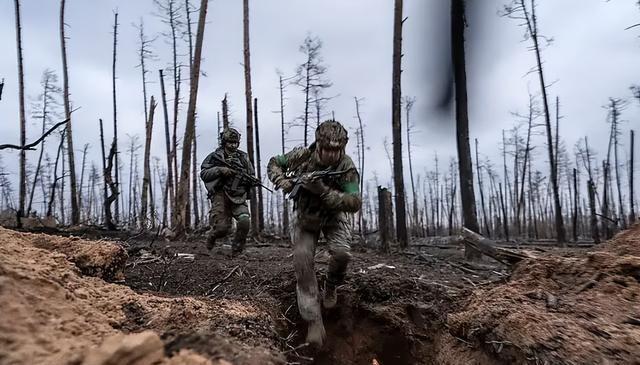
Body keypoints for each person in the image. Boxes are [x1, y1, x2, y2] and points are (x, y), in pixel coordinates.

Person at [267, 120, 361, 347]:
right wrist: (283, 181)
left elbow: (354, 201)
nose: (332, 154)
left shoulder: (346, 167)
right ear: (318, 145)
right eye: (327, 148)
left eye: (337, 149)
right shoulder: (301, 156)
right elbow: (273, 164)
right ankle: (313, 321)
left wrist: (323, 191)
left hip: (334, 217)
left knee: (341, 254)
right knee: (302, 260)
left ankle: (331, 285)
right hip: (306, 218)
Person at [200, 128, 255, 256]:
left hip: (238, 195)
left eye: (235, 143)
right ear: (224, 142)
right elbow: (204, 174)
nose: (233, 145)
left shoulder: (243, 157)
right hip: (220, 194)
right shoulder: (215, 157)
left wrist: (247, 180)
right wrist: (220, 170)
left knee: (244, 221)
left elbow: (251, 174)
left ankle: (237, 251)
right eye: (230, 142)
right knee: (222, 228)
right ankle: (211, 238)